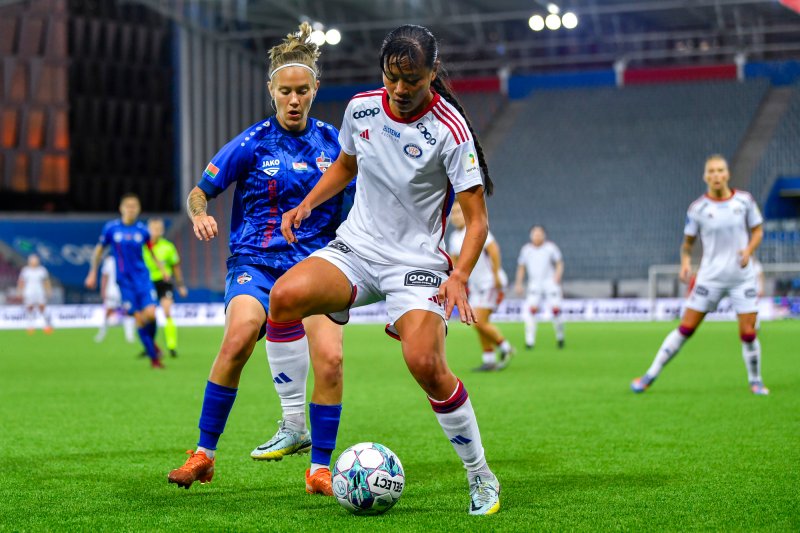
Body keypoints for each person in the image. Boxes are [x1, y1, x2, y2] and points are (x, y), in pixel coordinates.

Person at [268, 24, 501, 515]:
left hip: (415, 264)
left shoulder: (451, 130)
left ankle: (481, 476)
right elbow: (347, 166)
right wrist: (307, 204)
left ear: (432, 74)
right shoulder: (361, 108)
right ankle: (294, 426)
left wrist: (459, 275)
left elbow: (477, 220)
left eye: (411, 80)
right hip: (357, 248)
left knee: (426, 365)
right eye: (391, 77)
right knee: (284, 297)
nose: (399, 89)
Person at [168, 22, 355, 496]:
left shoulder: (336, 145)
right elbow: (198, 192)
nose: (294, 100)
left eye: (303, 91)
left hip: (316, 265)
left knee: (330, 361)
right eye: (285, 91)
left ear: (316, 90)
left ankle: (318, 469)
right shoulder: (251, 142)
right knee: (238, 337)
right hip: (256, 260)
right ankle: (204, 455)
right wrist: (200, 215)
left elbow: (362, 201)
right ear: (271, 91)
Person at [632, 154, 768, 395]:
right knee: (686, 328)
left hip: (741, 278)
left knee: (748, 333)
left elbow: (757, 230)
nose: (716, 175)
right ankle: (649, 375)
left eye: (720, 170)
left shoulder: (744, 201)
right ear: (705, 177)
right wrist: (685, 262)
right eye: (711, 171)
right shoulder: (698, 209)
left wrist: (748, 249)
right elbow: (687, 244)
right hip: (710, 278)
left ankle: (755, 381)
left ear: (727, 174)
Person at [85, 193, 167, 368]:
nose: (131, 209)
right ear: (121, 208)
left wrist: (161, 269)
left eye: (134, 206)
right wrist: (92, 272)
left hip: (143, 279)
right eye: (127, 206)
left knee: (151, 315)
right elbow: (99, 251)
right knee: (139, 319)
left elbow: (152, 251)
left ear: (138, 209)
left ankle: (151, 345)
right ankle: (154, 358)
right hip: (124, 282)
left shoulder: (143, 231)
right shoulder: (111, 229)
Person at [448, 203, 514, 371]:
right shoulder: (454, 238)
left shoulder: (475, 229)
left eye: (459, 212)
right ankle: (489, 359)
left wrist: (497, 273)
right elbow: (455, 262)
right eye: (453, 212)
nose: (455, 216)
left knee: (479, 321)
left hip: (490, 283)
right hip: (476, 286)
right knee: (478, 321)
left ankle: (506, 348)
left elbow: (493, 250)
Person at [143, 218, 188, 357]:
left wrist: (180, 285)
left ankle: (171, 346)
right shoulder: (142, 246)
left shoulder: (168, 247)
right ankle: (150, 346)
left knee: (167, 312)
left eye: (158, 229)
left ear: (162, 230)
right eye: (153, 229)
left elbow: (176, 267)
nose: (156, 232)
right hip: (147, 283)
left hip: (164, 282)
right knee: (148, 316)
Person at [514, 225, 565, 350]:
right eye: (534, 233)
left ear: (544, 235)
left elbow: (559, 263)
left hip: (549, 282)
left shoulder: (550, 248)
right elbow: (521, 267)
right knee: (531, 310)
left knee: (556, 310)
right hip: (534, 283)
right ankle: (529, 341)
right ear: (531, 235)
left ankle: (560, 336)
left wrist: (557, 275)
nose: (537, 236)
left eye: (539, 233)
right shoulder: (526, 250)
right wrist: (519, 283)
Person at [94, 254, 136, 343]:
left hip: (125, 290)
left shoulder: (128, 259)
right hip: (112, 290)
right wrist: (103, 290)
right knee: (108, 311)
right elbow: (104, 277)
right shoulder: (109, 261)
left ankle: (129, 336)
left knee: (128, 312)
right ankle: (102, 333)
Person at [18, 254, 53, 334]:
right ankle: (30, 325)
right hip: (29, 292)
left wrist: (49, 290)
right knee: (29, 307)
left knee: (42, 307)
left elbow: (46, 282)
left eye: (35, 260)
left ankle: (47, 325)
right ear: (29, 261)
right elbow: (21, 282)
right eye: (32, 260)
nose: (34, 262)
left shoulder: (42, 270)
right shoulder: (25, 270)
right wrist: (19, 291)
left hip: (40, 291)